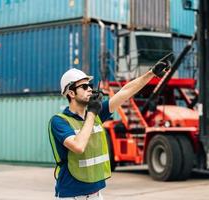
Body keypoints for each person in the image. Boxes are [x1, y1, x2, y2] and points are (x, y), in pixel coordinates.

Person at [48, 54, 172, 199]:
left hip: (96, 194)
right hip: (71, 195)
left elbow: (125, 92)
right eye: (84, 86)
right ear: (71, 93)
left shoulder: (95, 114)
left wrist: (151, 73)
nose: (90, 89)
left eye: (90, 85)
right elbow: (78, 146)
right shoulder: (59, 121)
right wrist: (93, 113)